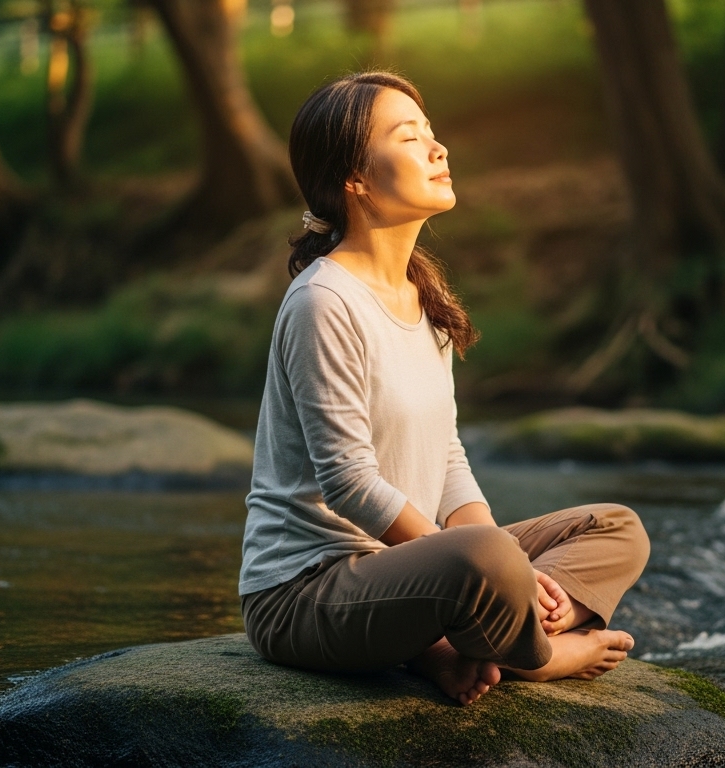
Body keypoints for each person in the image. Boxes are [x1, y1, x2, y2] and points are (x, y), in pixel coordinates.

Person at [239, 72, 650, 706]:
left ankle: (472, 640)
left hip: (409, 573)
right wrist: (485, 560)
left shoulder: (422, 296)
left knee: (617, 527)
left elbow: (447, 453)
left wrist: (505, 558)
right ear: (354, 178)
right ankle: (536, 659)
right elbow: (348, 480)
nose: (439, 150)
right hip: (308, 592)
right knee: (484, 559)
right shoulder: (324, 301)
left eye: (433, 135)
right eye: (410, 138)